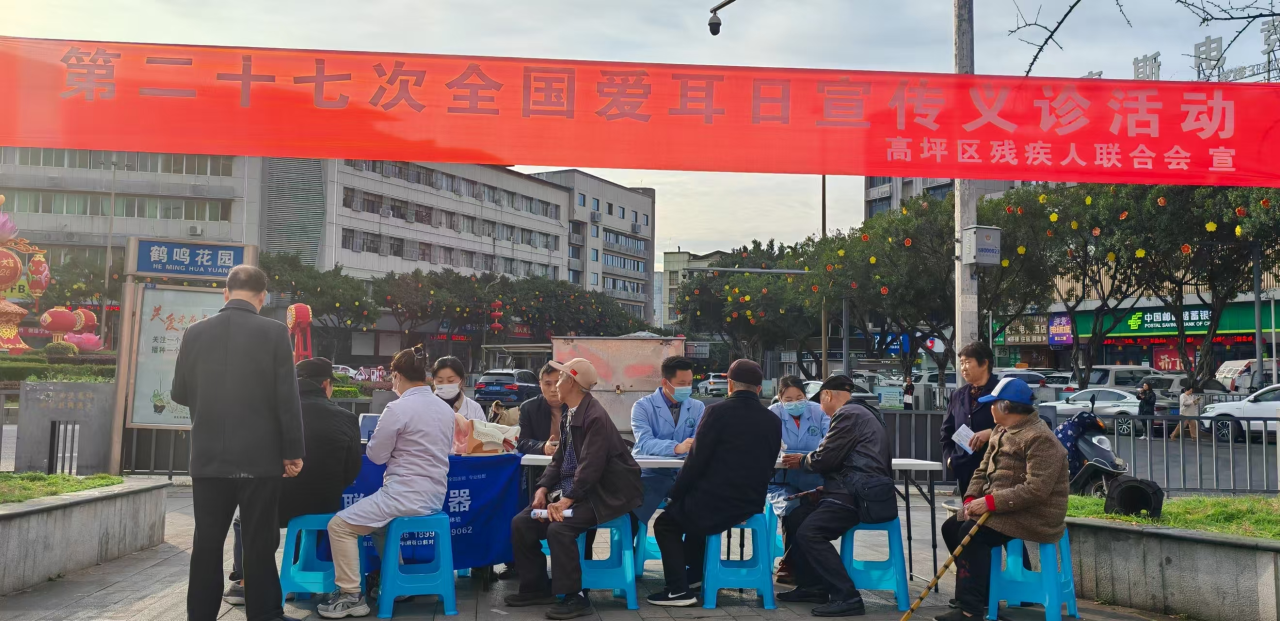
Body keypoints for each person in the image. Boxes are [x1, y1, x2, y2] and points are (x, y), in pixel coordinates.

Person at [171, 264, 305, 621]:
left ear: (226, 293)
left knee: (206, 544)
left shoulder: (195, 332)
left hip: (208, 459)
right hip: (260, 459)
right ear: (263, 297)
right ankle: (265, 615)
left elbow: (179, 392)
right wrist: (292, 452)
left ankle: (200, 616)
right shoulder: (275, 332)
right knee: (259, 544)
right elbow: (287, 398)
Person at [317, 346, 455, 619]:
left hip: (403, 495)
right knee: (379, 527)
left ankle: (350, 595)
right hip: (434, 497)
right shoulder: (445, 408)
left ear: (397, 376)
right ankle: (395, 582)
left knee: (339, 526)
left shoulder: (398, 408)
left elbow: (376, 456)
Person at [505, 358, 643, 620]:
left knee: (560, 528)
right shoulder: (572, 413)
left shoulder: (594, 417)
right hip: (577, 489)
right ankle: (536, 587)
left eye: (560, 379)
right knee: (521, 523)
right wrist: (542, 488)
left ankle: (575, 597)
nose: (556, 384)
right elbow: (559, 459)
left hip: (604, 493)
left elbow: (591, 467)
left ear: (572, 382)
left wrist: (566, 500)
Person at [224, 358, 363, 606]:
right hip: (324, 504)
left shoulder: (269, 412)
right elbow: (352, 470)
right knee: (303, 520)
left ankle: (245, 583)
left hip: (275, 503)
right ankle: (295, 574)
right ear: (326, 384)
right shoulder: (347, 418)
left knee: (243, 518)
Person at [646, 360, 782, 608]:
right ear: (758, 389)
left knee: (666, 523)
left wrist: (675, 494)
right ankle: (695, 576)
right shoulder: (773, 420)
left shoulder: (716, 412)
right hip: (751, 503)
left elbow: (696, 461)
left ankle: (678, 591)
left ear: (729, 385)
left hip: (715, 503)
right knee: (692, 515)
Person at [936, 378, 1070, 621]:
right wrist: (971, 498)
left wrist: (989, 502)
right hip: (1003, 507)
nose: (989, 408)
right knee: (952, 527)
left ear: (1006, 406)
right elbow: (982, 469)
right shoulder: (1000, 430)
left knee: (972, 534)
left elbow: (1036, 490)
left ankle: (970, 610)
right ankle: (981, 597)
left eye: (993, 403)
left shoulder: (1040, 438)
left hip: (1033, 513)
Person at [776, 375, 893, 617]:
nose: (820, 408)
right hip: (854, 489)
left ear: (827, 395)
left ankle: (847, 596)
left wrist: (801, 460)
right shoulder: (863, 411)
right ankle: (813, 586)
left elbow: (825, 457)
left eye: (820, 401)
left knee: (811, 533)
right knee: (797, 516)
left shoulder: (847, 414)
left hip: (855, 494)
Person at [499, 363, 569, 581]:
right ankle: (523, 570)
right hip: (537, 476)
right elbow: (522, 442)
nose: (553, 389)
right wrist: (543, 447)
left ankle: (576, 573)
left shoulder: (577, 406)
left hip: (571, 478)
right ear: (540, 385)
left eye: (558, 382)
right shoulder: (529, 407)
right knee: (517, 512)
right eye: (548, 383)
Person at [766, 375, 830, 585]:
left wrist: (803, 458)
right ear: (780, 398)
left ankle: (789, 562)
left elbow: (829, 443)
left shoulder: (819, 411)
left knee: (808, 509)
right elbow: (766, 446)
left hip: (814, 479)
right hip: (781, 480)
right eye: (789, 399)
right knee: (792, 507)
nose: (795, 402)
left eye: (799, 397)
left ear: (806, 396)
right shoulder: (773, 413)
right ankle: (795, 563)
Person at [631, 356, 706, 530]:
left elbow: (699, 442)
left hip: (683, 474)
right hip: (650, 474)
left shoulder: (697, 407)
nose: (687, 388)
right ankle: (631, 543)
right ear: (665, 382)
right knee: (632, 513)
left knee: (701, 512)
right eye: (681, 383)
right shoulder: (642, 407)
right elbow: (645, 443)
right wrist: (677, 447)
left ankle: (692, 546)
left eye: (689, 383)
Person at [940, 342, 999, 494]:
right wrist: (950, 459)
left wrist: (991, 433)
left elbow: (1018, 425)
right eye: (961, 363)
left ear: (984, 363)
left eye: (967, 362)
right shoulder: (957, 395)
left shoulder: (1001, 392)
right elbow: (946, 431)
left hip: (996, 470)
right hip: (964, 470)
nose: (963, 368)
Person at [433, 356, 486, 422]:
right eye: (440, 381)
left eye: (450, 380)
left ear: (461, 381)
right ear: (433, 381)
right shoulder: (425, 407)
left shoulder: (474, 408)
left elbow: (483, 428)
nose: (445, 384)